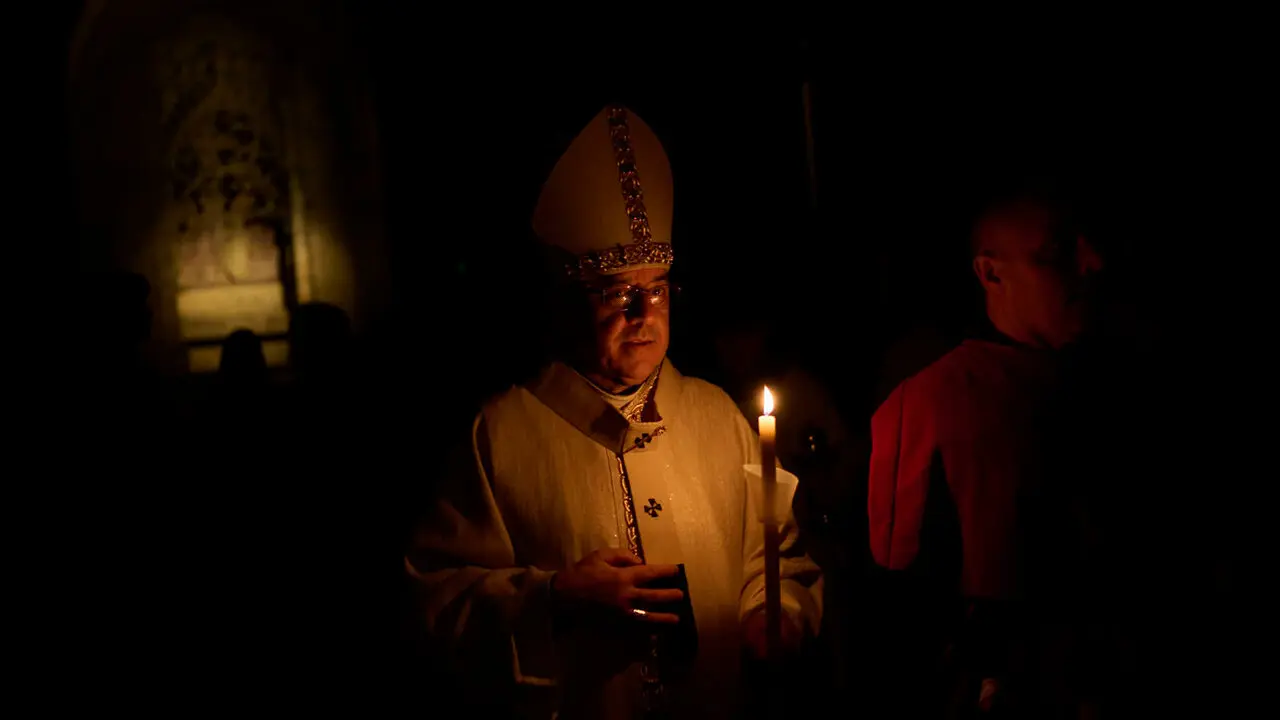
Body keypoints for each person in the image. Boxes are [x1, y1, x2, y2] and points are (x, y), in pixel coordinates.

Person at [405, 105, 822, 719]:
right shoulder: (499, 434)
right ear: (567, 304)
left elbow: (777, 559)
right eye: (616, 292)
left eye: (656, 288)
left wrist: (774, 615)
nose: (643, 313)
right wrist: (556, 597)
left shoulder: (719, 418)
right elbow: (433, 600)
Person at [865, 189, 1108, 717]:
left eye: (1087, 245)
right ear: (991, 274)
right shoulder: (930, 400)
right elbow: (900, 588)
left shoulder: (1117, 386)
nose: (1093, 265)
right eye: (1056, 252)